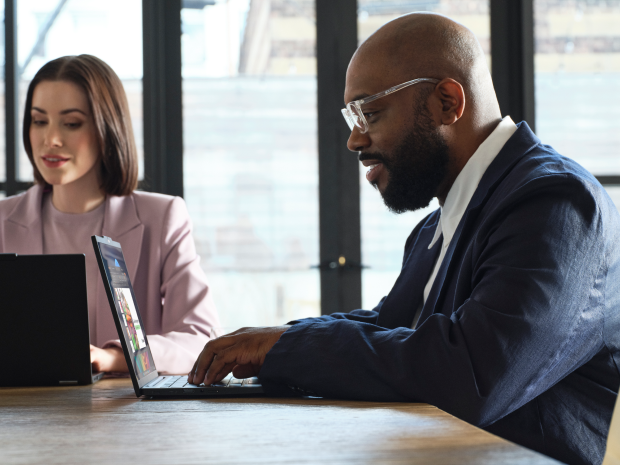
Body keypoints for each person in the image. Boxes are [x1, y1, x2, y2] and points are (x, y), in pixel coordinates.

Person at [187, 13, 620, 465]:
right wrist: (275, 340)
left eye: (369, 113)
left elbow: (469, 374)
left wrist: (286, 348)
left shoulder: (554, 203)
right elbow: (394, 327)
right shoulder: (437, 226)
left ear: (448, 102)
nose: (355, 140)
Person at [0, 55, 220, 375]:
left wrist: (118, 357)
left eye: (71, 123)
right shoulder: (3, 222)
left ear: (107, 127)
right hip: (22, 415)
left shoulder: (162, 217)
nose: (51, 139)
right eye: (39, 120)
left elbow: (201, 339)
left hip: (126, 416)